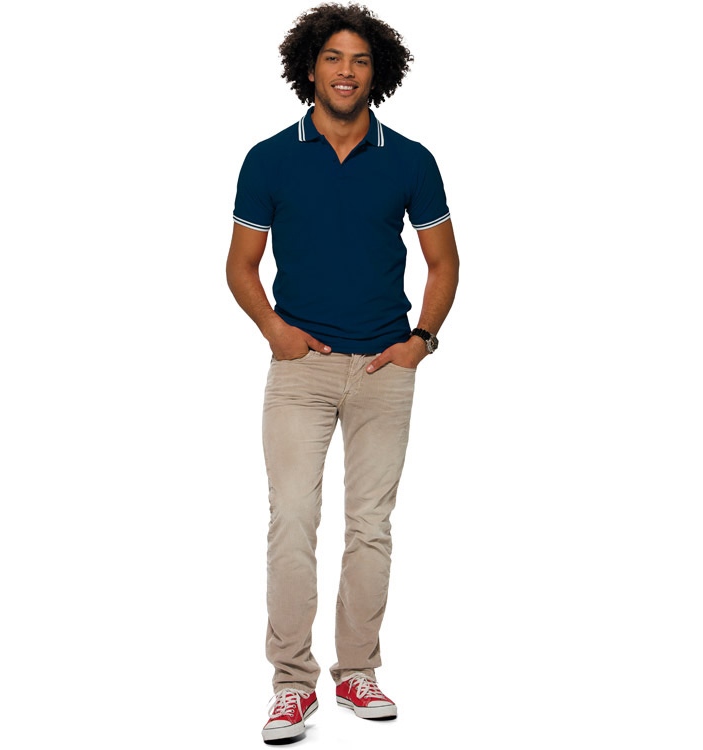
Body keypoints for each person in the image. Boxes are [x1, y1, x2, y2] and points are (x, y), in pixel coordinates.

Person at [225, 3, 459, 743]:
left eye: (359, 60)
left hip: (386, 366)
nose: (347, 72)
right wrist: (275, 332)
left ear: (376, 72)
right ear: (310, 68)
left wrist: (422, 340)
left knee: (370, 527)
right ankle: (292, 685)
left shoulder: (411, 159)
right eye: (333, 58)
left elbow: (443, 261)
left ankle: (357, 670)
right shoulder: (269, 158)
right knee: (293, 519)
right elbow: (240, 265)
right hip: (301, 370)